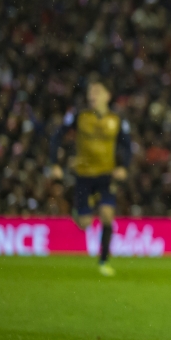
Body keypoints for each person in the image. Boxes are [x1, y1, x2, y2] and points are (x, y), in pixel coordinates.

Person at [48, 78, 131, 276]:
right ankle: (79, 210)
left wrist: (123, 167)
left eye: (97, 92)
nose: (92, 95)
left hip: (106, 175)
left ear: (107, 96)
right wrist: (55, 163)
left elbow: (127, 147)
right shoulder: (80, 116)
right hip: (84, 175)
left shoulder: (117, 120)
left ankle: (104, 261)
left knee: (107, 216)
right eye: (90, 92)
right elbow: (57, 136)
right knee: (84, 223)